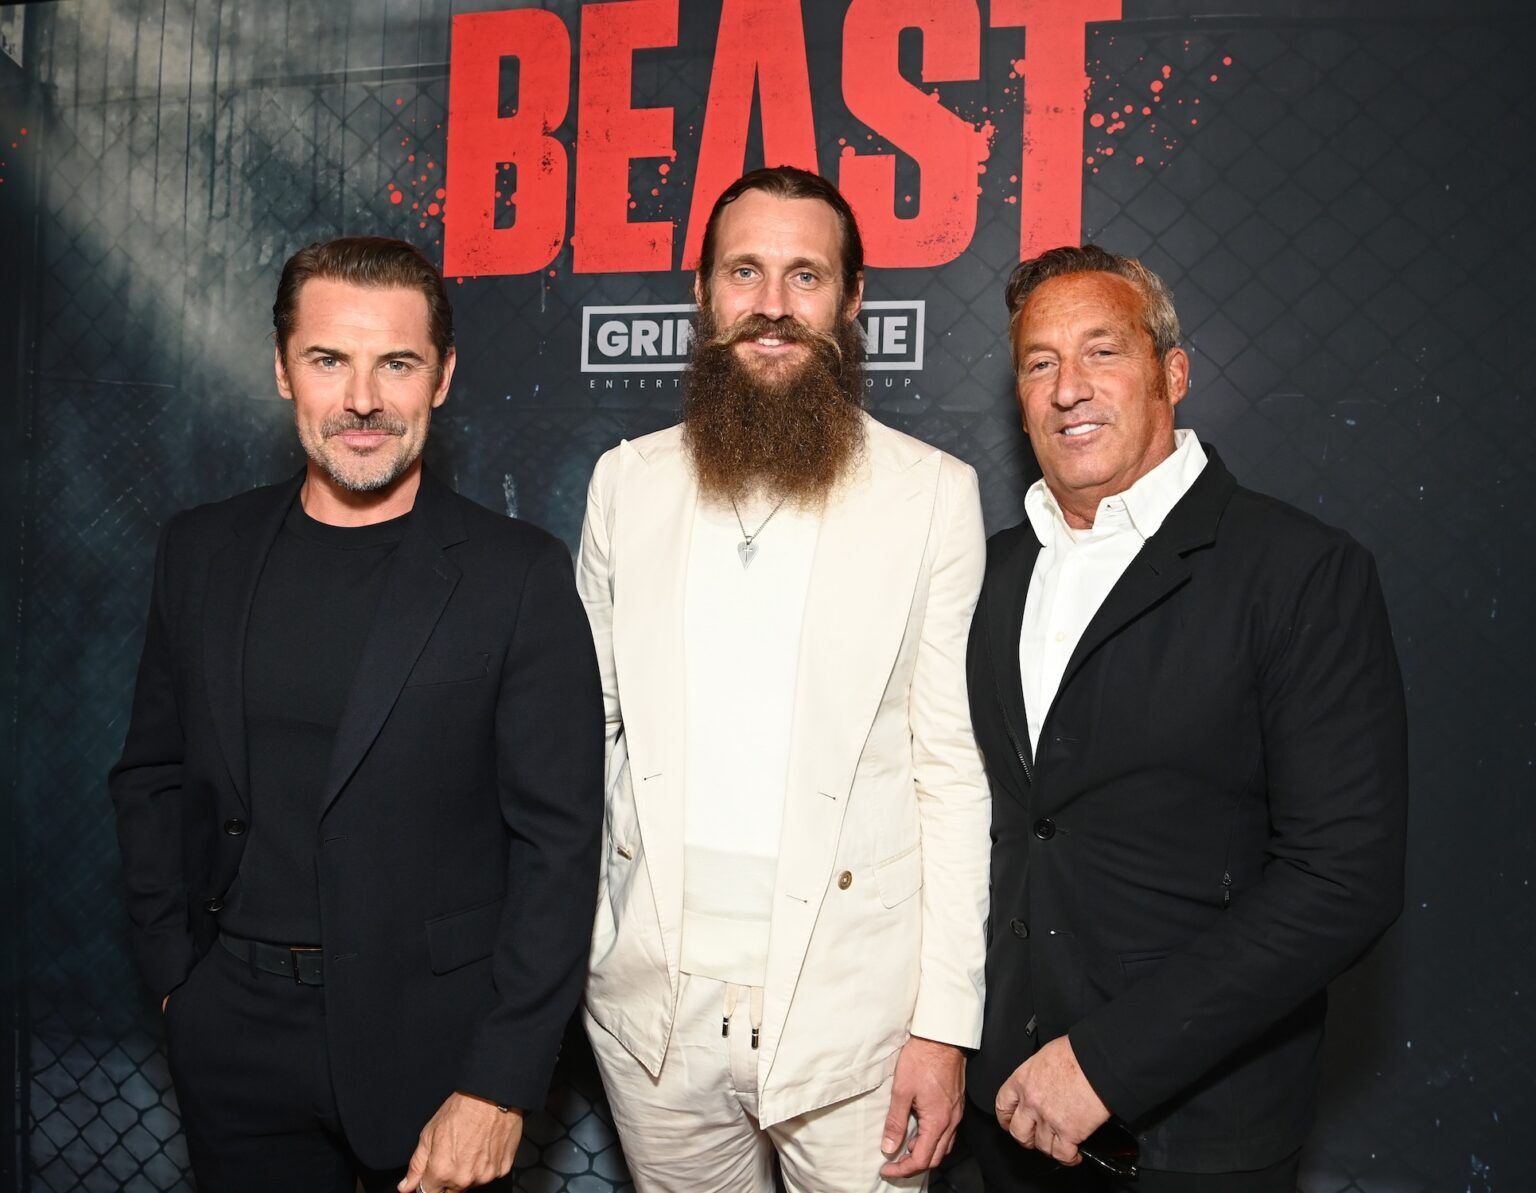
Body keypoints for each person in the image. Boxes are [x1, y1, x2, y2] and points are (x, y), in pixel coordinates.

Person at [108, 236, 604, 1193]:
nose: (364, 398)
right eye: (329, 359)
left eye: (398, 363)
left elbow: (559, 843)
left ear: (444, 377)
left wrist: (500, 1083)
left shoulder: (518, 575)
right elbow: (152, 773)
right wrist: (179, 980)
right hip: (233, 1040)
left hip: (436, 1056)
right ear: (282, 369)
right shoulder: (202, 551)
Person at [575, 167, 991, 1192]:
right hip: (651, 1020)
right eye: (744, 271)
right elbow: (581, 737)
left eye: (806, 276)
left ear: (852, 302)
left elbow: (950, 769)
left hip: (860, 1019)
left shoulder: (933, 497)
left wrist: (943, 1023)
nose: (772, 305)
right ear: (704, 294)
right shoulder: (625, 484)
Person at [963, 244, 1409, 1190]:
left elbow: (1343, 878)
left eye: (1101, 352)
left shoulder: (1297, 571)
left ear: (1173, 371)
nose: (1068, 388)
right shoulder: (989, 574)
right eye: (1039, 363)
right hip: (997, 1127)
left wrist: (1107, 1061)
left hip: (1194, 1138)